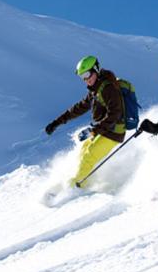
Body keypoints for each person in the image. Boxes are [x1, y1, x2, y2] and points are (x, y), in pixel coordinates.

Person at [45, 55, 125, 187]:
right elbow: (77, 108)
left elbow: (115, 114)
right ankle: (85, 181)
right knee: (83, 151)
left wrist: (94, 130)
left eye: (87, 74)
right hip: (103, 130)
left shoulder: (108, 88)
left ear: (96, 70)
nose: (86, 80)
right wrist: (56, 122)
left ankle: (74, 187)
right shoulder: (95, 91)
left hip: (114, 132)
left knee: (89, 155)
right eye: (82, 77)